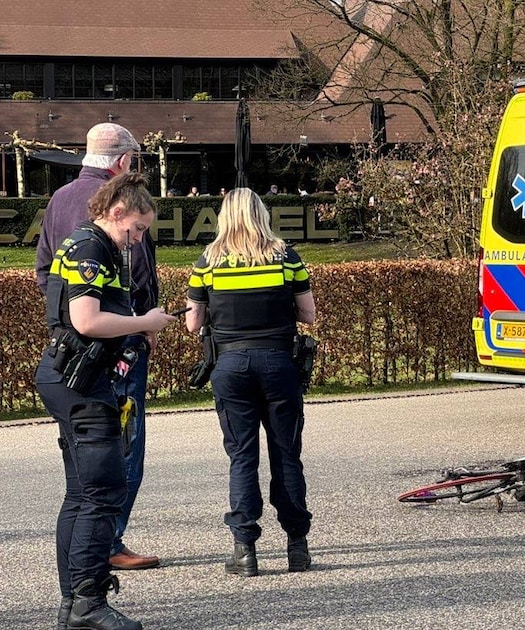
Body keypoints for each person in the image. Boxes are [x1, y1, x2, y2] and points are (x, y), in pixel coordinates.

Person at [36, 172, 177, 630]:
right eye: (136, 228)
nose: (138, 239)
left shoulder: (89, 244)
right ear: (117, 212)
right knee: (104, 492)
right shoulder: (92, 245)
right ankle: (88, 603)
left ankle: (72, 604)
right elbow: (88, 321)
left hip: (72, 377)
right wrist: (143, 322)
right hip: (81, 382)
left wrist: (140, 322)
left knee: (81, 494)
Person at [185, 188, 317, 577]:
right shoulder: (286, 256)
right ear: (261, 214)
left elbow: (194, 323)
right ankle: (297, 547)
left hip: (230, 365)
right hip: (279, 362)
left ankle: (245, 551)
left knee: (242, 456)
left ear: (224, 217)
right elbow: (308, 315)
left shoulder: (208, 260)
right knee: (286, 454)